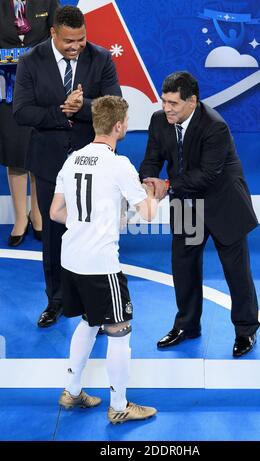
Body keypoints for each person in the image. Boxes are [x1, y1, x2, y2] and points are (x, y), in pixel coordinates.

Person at [50, 95, 158, 424]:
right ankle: (120, 405)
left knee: (88, 321)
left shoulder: (72, 160)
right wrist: (154, 189)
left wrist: (91, 221)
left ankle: (72, 390)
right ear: (119, 126)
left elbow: (56, 212)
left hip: (71, 258)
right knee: (119, 329)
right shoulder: (119, 165)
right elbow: (149, 213)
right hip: (100, 264)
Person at [13, 5, 122, 328]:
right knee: (54, 236)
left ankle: (94, 306)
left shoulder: (101, 58)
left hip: (92, 165)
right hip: (48, 163)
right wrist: (63, 112)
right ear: (53, 34)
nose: (76, 46)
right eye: (68, 41)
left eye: (81, 39)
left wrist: (84, 107)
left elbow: (114, 106)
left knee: (93, 234)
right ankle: (56, 300)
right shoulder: (31, 61)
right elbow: (21, 111)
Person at [139, 71, 260, 357]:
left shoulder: (214, 126)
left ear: (192, 101)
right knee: (184, 266)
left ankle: (246, 330)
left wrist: (166, 185)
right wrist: (149, 179)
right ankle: (187, 325)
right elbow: (152, 158)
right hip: (186, 203)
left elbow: (207, 175)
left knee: (236, 271)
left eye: (173, 103)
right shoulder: (159, 121)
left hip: (222, 204)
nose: (167, 108)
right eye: (164, 101)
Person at [0, 0, 60, 246]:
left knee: (38, 149)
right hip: (6, 88)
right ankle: (19, 219)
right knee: (14, 151)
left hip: (40, 89)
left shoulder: (47, 1)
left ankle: (38, 216)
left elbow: (58, 35)